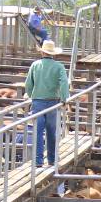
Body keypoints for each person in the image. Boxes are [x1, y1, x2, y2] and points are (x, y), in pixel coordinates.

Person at [25, 39, 70, 171]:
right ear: (53, 54)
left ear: (42, 52)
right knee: (51, 132)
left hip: (37, 102)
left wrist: (32, 95)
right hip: (52, 102)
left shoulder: (35, 65)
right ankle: (51, 159)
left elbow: (28, 84)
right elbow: (64, 83)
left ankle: (38, 161)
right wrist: (63, 99)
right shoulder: (59, 67)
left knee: (38, 132)